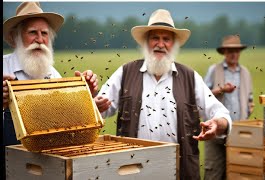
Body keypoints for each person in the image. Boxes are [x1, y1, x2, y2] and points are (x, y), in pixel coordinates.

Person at [94, 9, 232, 180]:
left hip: (180, 172)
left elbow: (220, 112)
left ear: (173, 44)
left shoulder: (189, 77)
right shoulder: (125, 72)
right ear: (146, 42)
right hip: (132, 171)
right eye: (155, 38)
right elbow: (99, 109)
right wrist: (96, 105)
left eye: (166, 39)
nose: (160, 44)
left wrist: (218, 124)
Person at [2, 2, 98, 178]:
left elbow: (64, 122)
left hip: (47, 166)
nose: (39, 39)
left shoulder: (53, 74)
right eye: (32, 32)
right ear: (16, 37)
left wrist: (84, 95)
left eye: (44, 33)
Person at [203, 34, 254, 180]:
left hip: (238, 131)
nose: (234, 54)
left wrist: (249, 109)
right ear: (224, 52)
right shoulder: (214, 70)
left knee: (235, 174)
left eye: (236, 51)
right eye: (230, 51)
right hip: (215, 131)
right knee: (213, 173)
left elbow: (250, 99)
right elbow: (203, 95)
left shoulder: (245, 72)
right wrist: (222, 89)